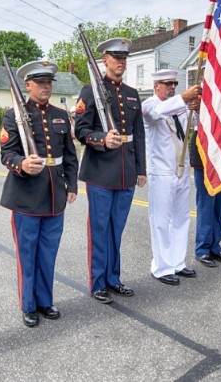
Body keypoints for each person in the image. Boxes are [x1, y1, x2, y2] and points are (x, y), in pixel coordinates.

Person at [0, 61, 78, 327]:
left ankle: (45, 300)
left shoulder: (60, 114)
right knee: (27, 253)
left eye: (49, 82)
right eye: (40, 82)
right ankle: (28, 305)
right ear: (27, 85)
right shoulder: (14, 115)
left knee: (48, 252)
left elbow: (69, 153)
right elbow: (6, 153)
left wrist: (72, 185)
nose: (46, 86)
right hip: (26, 195)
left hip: (55, 192)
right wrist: (20, 163)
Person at [74, 38, 146, 304]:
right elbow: (80, 130)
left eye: (125, 58)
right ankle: (98, 282)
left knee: (117, 229)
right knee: (100, 228)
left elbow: (138, 134)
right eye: (116, 58)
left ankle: (114, 279)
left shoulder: (131, 93)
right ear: (105, 60)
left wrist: (141, 168)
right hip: (101, 171)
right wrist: (102, 138)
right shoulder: (89, 91)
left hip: (126, 169)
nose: (121, 62)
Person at [142, 69, 201, 285]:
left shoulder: (180, 107)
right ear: (156, 85)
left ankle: (177, 262)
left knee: (181, 218)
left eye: (175, 83)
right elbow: (155, 114)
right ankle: (161, 266)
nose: (172, 87)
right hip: (161, 172)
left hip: (181, 170)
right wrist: (184, 98)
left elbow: (195, 126)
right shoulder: (150, 104)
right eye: (167, 83)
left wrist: (196, 108)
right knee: (160, 220)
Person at [190, 126, 221, 267]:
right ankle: (202, 249)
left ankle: (215, 246)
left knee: (220, 206)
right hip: (205, 151)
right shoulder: (198, 104)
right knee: (206, 205)